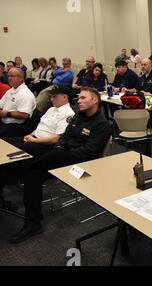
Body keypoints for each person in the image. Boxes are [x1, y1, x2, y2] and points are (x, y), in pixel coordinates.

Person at [8, 87, 111, 243]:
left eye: (83, 98)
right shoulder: (78, 116)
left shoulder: (102, 125)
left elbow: (86, 153)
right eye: (79, 98)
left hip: (81, 165)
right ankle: (33, 224)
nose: (79, 100)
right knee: (32, 175)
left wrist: (61, 150)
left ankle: (22, 168)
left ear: (95, 100)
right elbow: (64, 138)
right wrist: (60, 147)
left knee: (32, 161)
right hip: (61, 156)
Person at [3, 86, 75, 157]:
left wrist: (34, 140)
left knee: (9, 148)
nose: (51, 99)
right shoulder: (51, 109)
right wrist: (30, 135)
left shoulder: (68, 114)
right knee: (3, 142)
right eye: (51, 96)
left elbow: (56, 138)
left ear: (65, 97)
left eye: (55, 96)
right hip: (34, 138)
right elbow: (40, 127)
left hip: (44, 145)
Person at [0, 68, 36, 138]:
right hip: (4, 122)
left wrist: (7, 113)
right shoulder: (10, 91)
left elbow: (25, 114)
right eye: (8, 76)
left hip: (16, 127)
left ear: (21, 79)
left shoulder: (25, 94)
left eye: (12, 76)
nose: (9, 78)